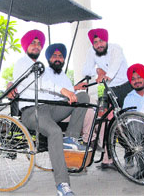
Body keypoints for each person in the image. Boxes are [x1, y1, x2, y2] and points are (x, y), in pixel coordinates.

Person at [11, 29, 89, 196]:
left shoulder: (43, 68)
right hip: (31, 111)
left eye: (39, 43)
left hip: (49, 108)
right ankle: (62, 184)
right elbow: (38, 84)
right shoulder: (22, 63)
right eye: (33, 42)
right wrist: (10, 84)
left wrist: (71, 90)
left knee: (82, 97)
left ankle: (72, 137)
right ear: (26, 45)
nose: (36, 46)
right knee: (54, 132)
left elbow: (53, 83)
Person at [82, 28, 132, 108]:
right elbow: (85, 70)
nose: (99, 45)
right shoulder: (91, 51)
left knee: (130, 113)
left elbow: (114, 66)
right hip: (107, 88)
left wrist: (105, 76)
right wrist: (98, 70)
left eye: (101, 41)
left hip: (125, 87)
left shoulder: (115, 49)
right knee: (105, 114)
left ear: (106, 40)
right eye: (95, 42)